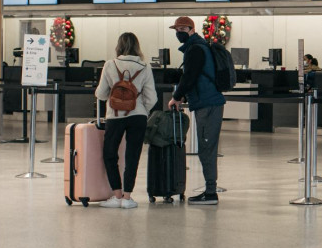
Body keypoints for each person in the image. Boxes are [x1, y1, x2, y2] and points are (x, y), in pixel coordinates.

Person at [94, 32, 157, 209]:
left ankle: (116, 195)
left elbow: (100, 93)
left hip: (115, 116)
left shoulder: (110, 65)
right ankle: (128, 198)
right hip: (138, 116)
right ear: (137, 46)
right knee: (133, 155)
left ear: (119, 46)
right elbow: (152, 97)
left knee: (110, 154)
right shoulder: (145, 66)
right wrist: (142, 109)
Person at [167, 16, 226, 205]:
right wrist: (184, 96)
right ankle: (209, 190)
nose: (179, 33)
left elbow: (190, 76)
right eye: (176, 30)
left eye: (182, 29)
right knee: (206, 147)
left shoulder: (196, 49)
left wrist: (177, 97)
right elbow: (194, 77)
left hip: (208, 104)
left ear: (191, 29)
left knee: (206, 148)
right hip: (207, 101)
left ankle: (210, 193)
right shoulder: (197, 47)